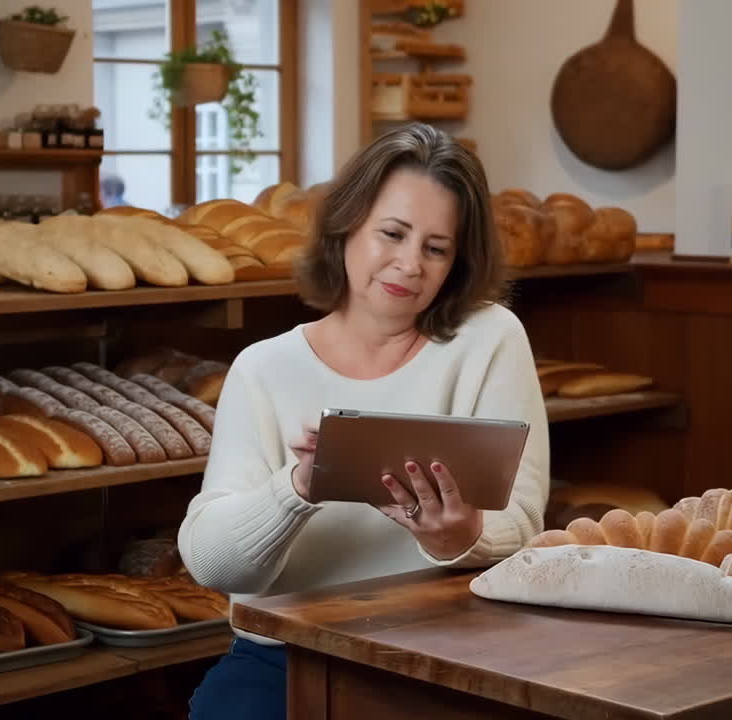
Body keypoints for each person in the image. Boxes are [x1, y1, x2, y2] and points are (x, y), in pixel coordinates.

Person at [179, 123, 550, 720]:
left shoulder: (491, 338)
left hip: (446, 654)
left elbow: (526, 523)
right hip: (287, 658)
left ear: (457, 262)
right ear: (347, 226)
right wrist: (294, 489)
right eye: (393, 233)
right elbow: (213, 566)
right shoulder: (262, 368)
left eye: (435, 248)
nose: (409, 263)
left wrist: (459, 537)